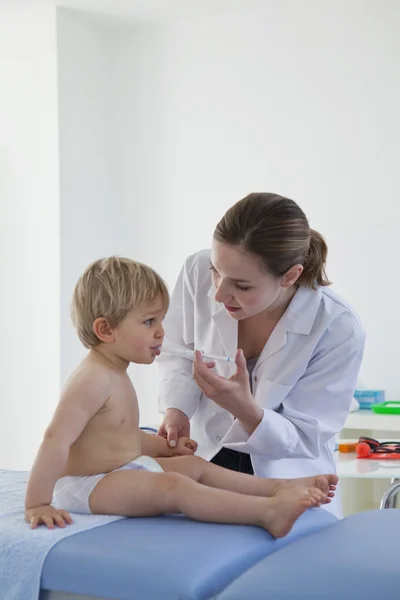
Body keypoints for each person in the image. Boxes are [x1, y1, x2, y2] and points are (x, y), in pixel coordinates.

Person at [24, 256, 336, 538]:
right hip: (84, 486)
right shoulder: (92, 379)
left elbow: (113, 437)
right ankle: (267, 512)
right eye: (149, 322)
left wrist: (161, 447)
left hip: (115, 472)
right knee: (174, 487)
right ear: (106, 330)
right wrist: (38, 503)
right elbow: (55, 440)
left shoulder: (114, 371)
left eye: (161, 320)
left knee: (194, 466)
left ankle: (279, 487)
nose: (161, 332)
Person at [157, 193, 365, 517]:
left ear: (290, 276)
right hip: (207, 459)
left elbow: (305, 436)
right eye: (215, 271)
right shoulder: (196, 271)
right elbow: (178, 352)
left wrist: (248, 412)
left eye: (241, 285)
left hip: (286, 475)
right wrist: (177, 409)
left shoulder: (337, 328)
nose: (219, 292)